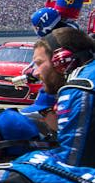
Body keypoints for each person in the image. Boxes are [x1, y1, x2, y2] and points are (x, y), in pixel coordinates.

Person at [31, 27, 95, 167]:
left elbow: (71, 166)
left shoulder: (78, 89)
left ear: (62, 60)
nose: (35, 73)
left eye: (39, 63)